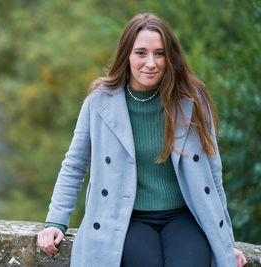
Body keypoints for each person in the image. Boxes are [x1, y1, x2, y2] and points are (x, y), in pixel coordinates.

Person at [37, 13, 247, 267]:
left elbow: (211, 177)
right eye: (141, 53)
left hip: (184, 216)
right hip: (127, 218)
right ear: (126, 55)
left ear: (170, 57)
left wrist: (225, 244)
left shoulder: (192, 100)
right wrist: (55, 221)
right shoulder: (99, 102)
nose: (151, 63)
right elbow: (74, 165)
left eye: (159, 53)